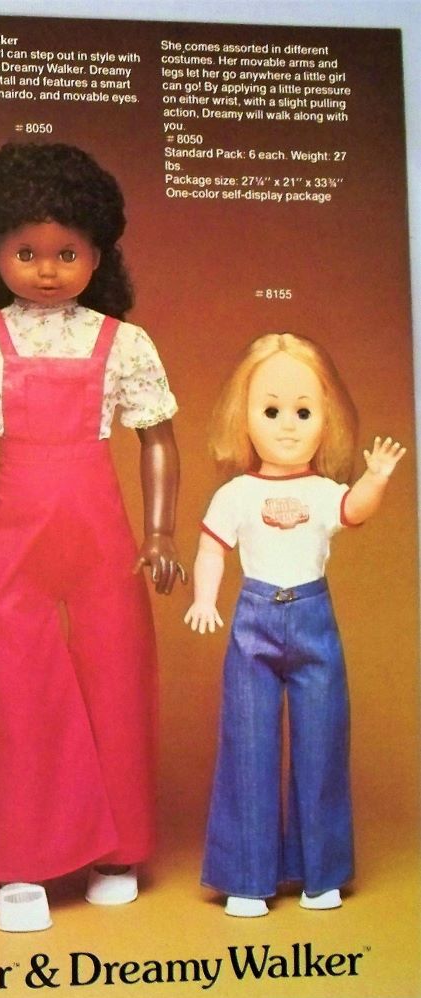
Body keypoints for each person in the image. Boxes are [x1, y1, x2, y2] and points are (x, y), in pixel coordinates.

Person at [0, 142, 185, 931]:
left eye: (66, 253)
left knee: (117, 680)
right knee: (14, 691)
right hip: (14, 544)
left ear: (97, 256)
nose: (45, 270)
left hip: (103, 542)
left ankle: (116, 850)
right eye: (26, 252)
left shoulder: (122, 343)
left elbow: (158, 442)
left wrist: (160, 530)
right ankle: (21, 863)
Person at [184, 332, 405, 917]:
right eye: (272, 410)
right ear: (243, 418)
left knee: (322, 745)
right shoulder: (236, 493)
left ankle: (320, 873)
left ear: (326, 421)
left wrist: (377, 478)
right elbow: (211, 549)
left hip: (314, 622)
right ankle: (247, 877)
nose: (288, 425)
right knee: (248, 746)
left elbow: (353, 511)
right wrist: (205, 599)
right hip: (253, 622)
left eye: (304, 413)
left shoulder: (324, 491)